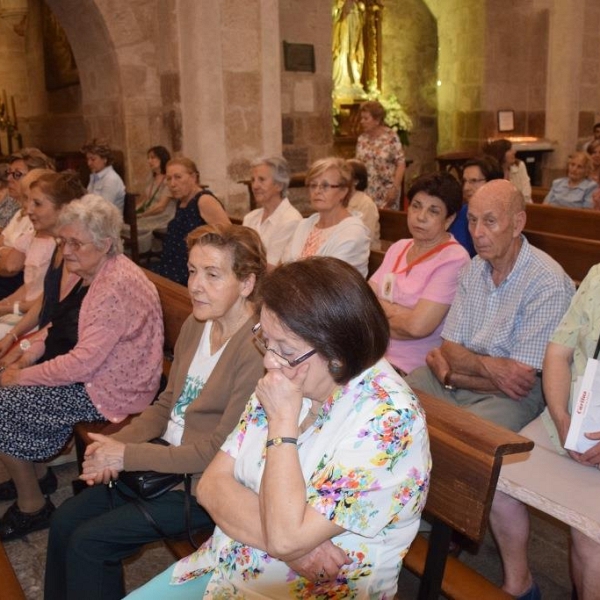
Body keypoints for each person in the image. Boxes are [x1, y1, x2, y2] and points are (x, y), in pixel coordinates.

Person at [126, 256, 431, 600]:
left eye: (284, 349)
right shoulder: (290, 373)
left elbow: (284, 535)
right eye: (266, 340)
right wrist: (297, 549)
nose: (270, 360)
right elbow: (211, 485)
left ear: (338, 355)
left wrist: (283, 426)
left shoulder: (388, 420)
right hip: (227, 566)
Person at [44, 223, 267, 600]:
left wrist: (126, 455)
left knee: (91, 543)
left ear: (246, 283)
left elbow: (216, 449)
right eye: (193, 271)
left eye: (212, 275)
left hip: (201, 484)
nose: (195, 285)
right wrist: (111, 445)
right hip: (162, 463)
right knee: (65, 519)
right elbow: (167, 405)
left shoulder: (255, 349)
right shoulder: (199, 325)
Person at [0, 195, 164, 541]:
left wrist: (19, 376)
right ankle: (36, 473)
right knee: (9, 387)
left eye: (75, 243)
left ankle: (33, 506)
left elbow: (81, 364)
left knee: (4, 401)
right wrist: (25, 355)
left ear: (105, 244)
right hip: (91, 375)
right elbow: (57, 326)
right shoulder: (87, 272)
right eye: (63, 241)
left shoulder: (114, 286)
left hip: (112, 390)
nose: (67, 250)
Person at [406, 179, 575, 432]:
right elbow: (449, 348)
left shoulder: (546, 281)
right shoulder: (471, 270)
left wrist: (452, 374)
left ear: (517, 224)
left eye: (489, 221)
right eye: (472, 220)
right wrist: (484, 368)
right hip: (456, 381)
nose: (477, 232)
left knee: (461, 437)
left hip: (506, 398)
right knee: (392, 401)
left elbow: (521, 380)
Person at [490, 264, 600, 600]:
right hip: (568, 420)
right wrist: (562, 415)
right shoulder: (597, 276)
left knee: (589, 538)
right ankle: (519, 582)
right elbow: (558, 352)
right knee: (496, 480)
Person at [369, 172, 470, 374]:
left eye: (433, 211)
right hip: (372, 354)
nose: (421, 217)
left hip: (412, 367)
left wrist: (379, 313)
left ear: (449, 219)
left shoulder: (454, 258)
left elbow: (417, 327)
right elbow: (364, 301)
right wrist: (401, 313)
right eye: (416, 206)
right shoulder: (399, 247)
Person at [0, 169, 81, 337]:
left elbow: (51, 306)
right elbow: (37, 291)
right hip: (36, 321)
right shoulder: (58, 244)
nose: (28, 210)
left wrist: (19, 342)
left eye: (37, 203)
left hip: (54, 330)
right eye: (27, 201)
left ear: (63, 209)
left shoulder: (73, 251)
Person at [283, 157, 370, 277]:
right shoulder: (305, 225)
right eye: (313, 185)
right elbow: (284, 267)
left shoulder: (353, 232)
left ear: (343, 191)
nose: (317, 191)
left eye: (325, 185)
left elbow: (330, 281)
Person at [156, 157, 230, 285]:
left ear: (194, 177)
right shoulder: (182, 201)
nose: (172, 184)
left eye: (178, 177)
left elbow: (228, 236)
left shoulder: (204, 200)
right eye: (169, 178)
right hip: (174, 267)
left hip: (192, 274)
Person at [0, 149, 55, 298]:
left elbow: (12, 266)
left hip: (16, 283)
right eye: (9, 173)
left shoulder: (40, 220)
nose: (10, 179)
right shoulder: (20, 212)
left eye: (17, 174)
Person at [242, 156, 302, 268]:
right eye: (253, 180)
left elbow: (271, 268)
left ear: (279, 185)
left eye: (261, 180)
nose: (254, 186)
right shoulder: (250, 217)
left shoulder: (290, 220)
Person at [123, 145, 175, 254]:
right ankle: (130, 252)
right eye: (148, 158)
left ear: (162, 158)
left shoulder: (169, 179)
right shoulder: (152, 177)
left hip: (163, 216)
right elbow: (145, 200)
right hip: (150, 212)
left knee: (134, 227)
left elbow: (161, 207)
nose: (149, 161)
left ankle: (138, 252)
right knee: (125, 225)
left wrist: (143, 215)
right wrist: (134, 212)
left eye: (153, 157)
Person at [355, 100, 406, 209]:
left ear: (377, 120)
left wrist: (395, 188)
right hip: (367, 191)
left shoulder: (391, 137)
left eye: (366, 118)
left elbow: (401, 163)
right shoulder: (362, 139)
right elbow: (358, 166)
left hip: (387, 191)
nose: (362, 121)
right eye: (361, 118)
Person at [448, 155, 503, 257]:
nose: (466, 188)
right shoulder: (461, 213)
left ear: (493, 182)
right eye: (464, 181)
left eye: (473, 181)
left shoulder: (503, 216)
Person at [332, 0, 366, 98]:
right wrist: (339, 8)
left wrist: (361, 11)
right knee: (342, 52)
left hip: (354, 28)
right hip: (342, 27)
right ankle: (340, 81)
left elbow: (362, 21)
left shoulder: (357, 5)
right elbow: (333, 15)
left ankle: (354, 81)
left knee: (353, 54)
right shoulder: (338, 2)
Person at [81, 138, 126, 211]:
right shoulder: (95, 176)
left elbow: (104, 210)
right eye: (88, 159)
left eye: (93, 159)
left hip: (108, 221)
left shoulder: (111, 179)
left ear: (104, 159)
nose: (89, 163)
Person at [483, 138, 532, 203]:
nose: (514, 151)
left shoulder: (520, 166)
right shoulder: (491, 171)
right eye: (509, 150)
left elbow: (527, 193)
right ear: (500, 153)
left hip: (524, 206)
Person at [346, 158, 380, 248]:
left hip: (364, 253)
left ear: (356, 181)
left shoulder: (366, 204)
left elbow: (365, 238)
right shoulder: (339, 200)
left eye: (345, 176)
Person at [0, 163, 20, 231]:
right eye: (9, 174)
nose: (9, 178)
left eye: (17, 174)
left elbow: (3, 229)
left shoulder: (12, 199)